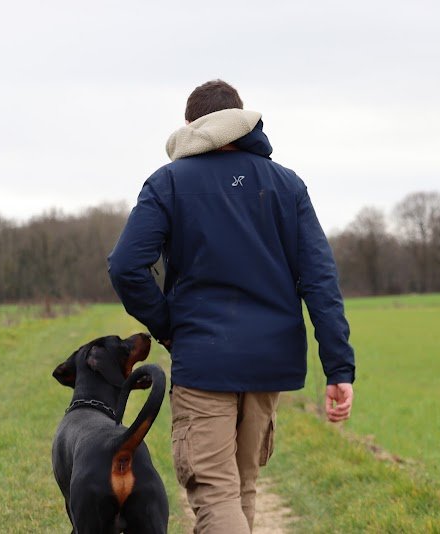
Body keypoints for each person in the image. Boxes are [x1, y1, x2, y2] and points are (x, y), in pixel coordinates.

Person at [108, 79, 355, 533]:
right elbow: (320, 281)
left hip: (204, 361)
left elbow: (125, 266)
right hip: (269, 363)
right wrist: (339, 369)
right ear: (239, 122)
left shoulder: (168, 182)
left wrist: (168, 325)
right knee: (241, 487)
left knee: (216, 494)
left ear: (190, 126)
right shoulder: (287, 185)